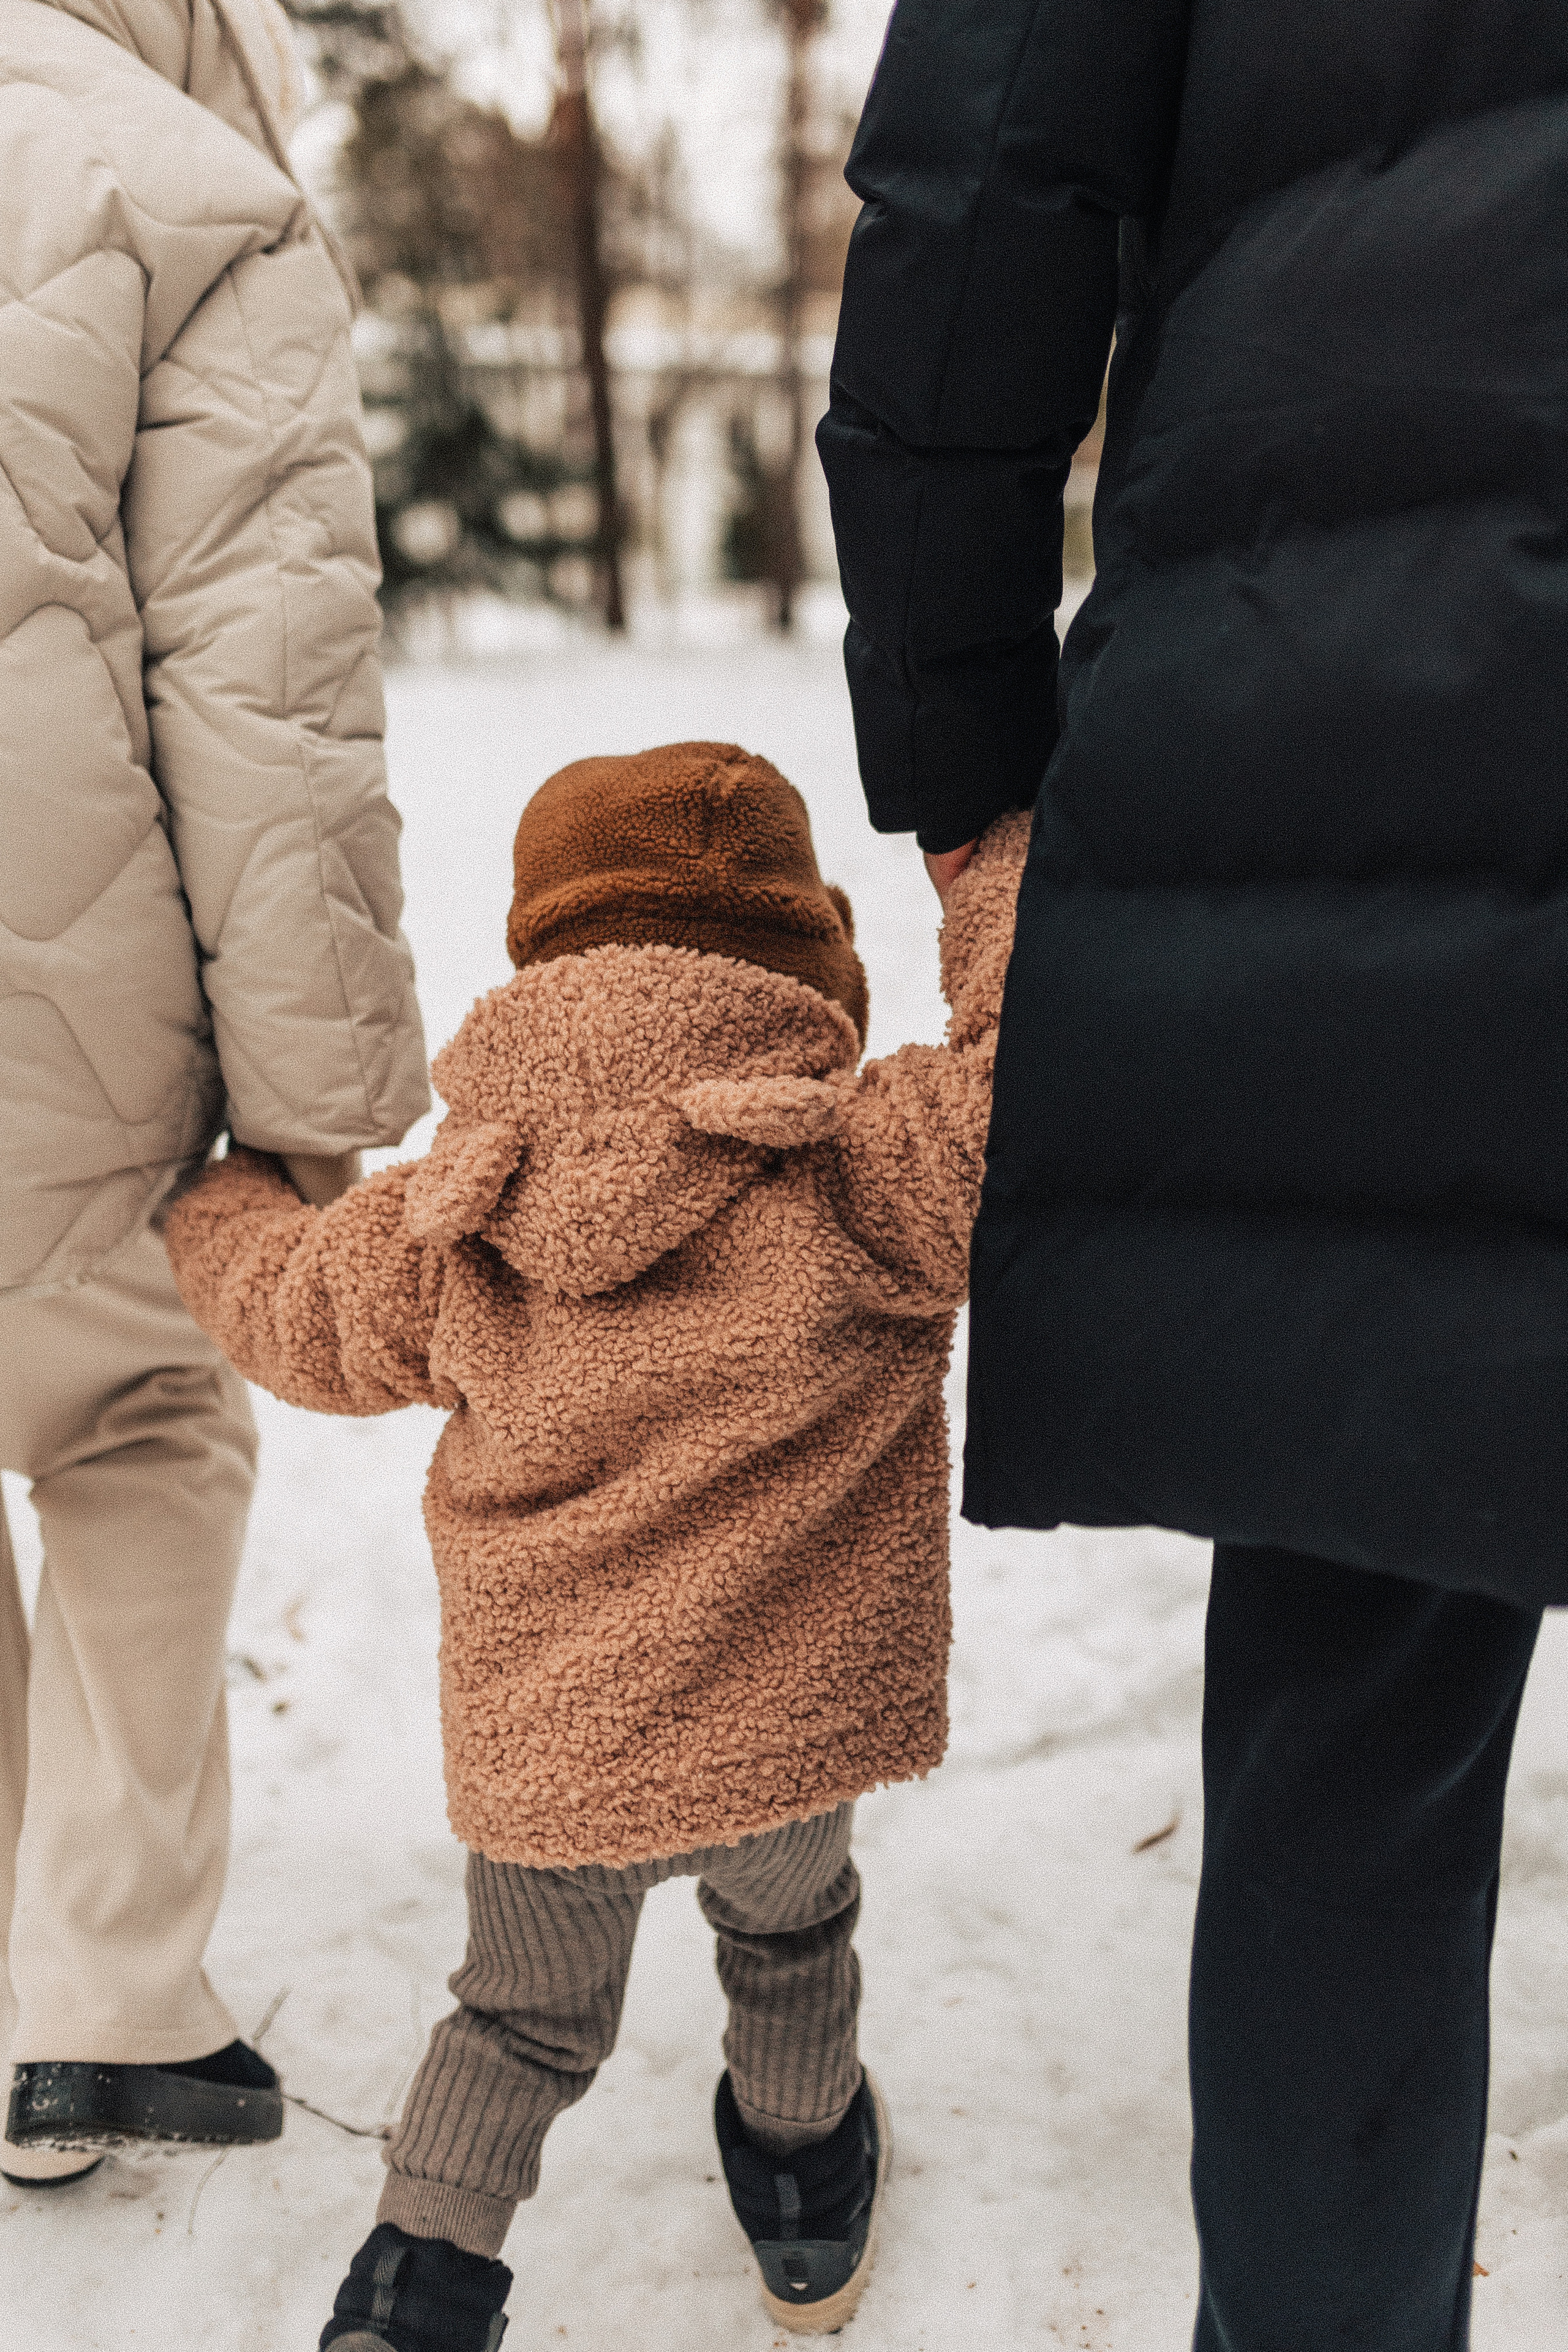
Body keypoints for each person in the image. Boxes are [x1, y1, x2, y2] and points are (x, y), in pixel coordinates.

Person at [818, 5, 1567, 2345]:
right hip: (1376, 732)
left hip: (1351, 726)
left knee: (1357, 1725)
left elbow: (976, 198)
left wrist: (970, 770)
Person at [162, 742, 1028, 2351]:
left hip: (552, 1763)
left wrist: (212, 1205)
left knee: (517, 2021)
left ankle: (413, 2289)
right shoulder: (863, 1170)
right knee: (789, 1941)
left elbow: (286, 1307)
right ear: (804, 959)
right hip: (790, 1736)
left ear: (541, 958)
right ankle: (802, 2213)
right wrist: (998, 880)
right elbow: (1035, 1072)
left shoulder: (456, 1212)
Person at [0, 0, 429, 2185]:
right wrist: (309, 1096)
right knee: (134, 1409)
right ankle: (92, 2003)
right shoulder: (189, 189)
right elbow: (265, 689)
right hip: (54, 984)